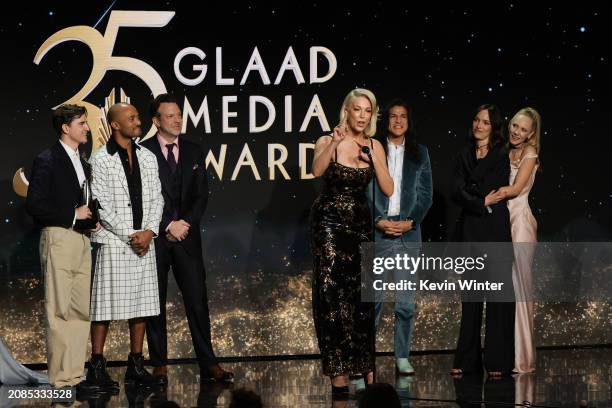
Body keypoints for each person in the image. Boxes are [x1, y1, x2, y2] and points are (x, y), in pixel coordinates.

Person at [142, 93, 233, 384]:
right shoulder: (143, 152)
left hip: (187, 237)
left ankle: (209, 363)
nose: (178, 120)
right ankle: (159, 364)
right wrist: (168, 223)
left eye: (179, 114)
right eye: (170, 116)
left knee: (197, 301)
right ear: (156, 121)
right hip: (157, 237)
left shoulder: (194, 150)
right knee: (154, 303)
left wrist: (185, 224)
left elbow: (201, 195)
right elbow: (145, 197)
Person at [310, 88, 394, 394]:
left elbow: (387, 189)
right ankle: (338, 373)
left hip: (359, 225)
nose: (362, 115)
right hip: (329, 224)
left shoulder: (374, 145)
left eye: (367, 111)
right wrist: (333, 142)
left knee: (360, 298)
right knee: (331, 295)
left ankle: (363, 365)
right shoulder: (327, 139)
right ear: (347, 111)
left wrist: (375, 160)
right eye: (357, 109)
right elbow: (316, 170)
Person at [86, 103, 163, 389]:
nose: (138, 121)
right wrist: (133, 234)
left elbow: (158, 198)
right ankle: (96, 365)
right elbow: (101, 205)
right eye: (131, 118)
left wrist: (150, 231)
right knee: (104, 307)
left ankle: (136, 365)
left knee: (140, 306)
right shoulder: (100, 160)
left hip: (144, 241)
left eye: (138, 117)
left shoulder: (148, 157)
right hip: (116, 241)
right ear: (115, 125)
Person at [25, 104, 97, 390]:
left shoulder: (83, 161)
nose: (87, 128)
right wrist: (72, 214)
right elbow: (35, 205)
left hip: (81, 239)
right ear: (66, 128)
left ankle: (75, 375)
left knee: (80, 310)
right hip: (58, 237)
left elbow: (83, 200)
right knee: (59, 311)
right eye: (82, 123)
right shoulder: (47, 158)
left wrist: (92, 219)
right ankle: (60, 379)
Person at [450, 104, 515, 377]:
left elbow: (494, 187)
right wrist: (478, 200)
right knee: (471, 297)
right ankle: (467, 360)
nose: (478, 125)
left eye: (485, 122)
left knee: (498, 298)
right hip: (471, 231)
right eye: (476, 120)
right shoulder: (463, 154)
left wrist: (472, 194)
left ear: (494, 127)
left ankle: (498, 361)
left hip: (495, 230)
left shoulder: (501, 154)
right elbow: (456, 189)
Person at [370, 99, 433, 376]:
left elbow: (426, 194)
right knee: (372, 301)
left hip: (408, 234)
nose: (397, 121)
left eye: (403, 116)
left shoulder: (420, 152)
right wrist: (378, 220)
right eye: (393, 116)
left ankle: (402, 356)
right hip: (378, 231)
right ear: (386, 120)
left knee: (405, 303)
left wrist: (410, 222)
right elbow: (364, 191)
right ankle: (365, 361)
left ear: (408, 121)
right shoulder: (372, 148)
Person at [496, 107, 542, 373]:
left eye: (523, 129)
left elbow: (515, 189)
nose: (516, 132)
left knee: (520, 291)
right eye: (514, 125)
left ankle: (522, 360)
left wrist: (483, 197)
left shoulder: (530, 153)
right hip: (503, 222)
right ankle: (504, 356)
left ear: (531, 133)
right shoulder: (504, 150)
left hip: (520, 224)